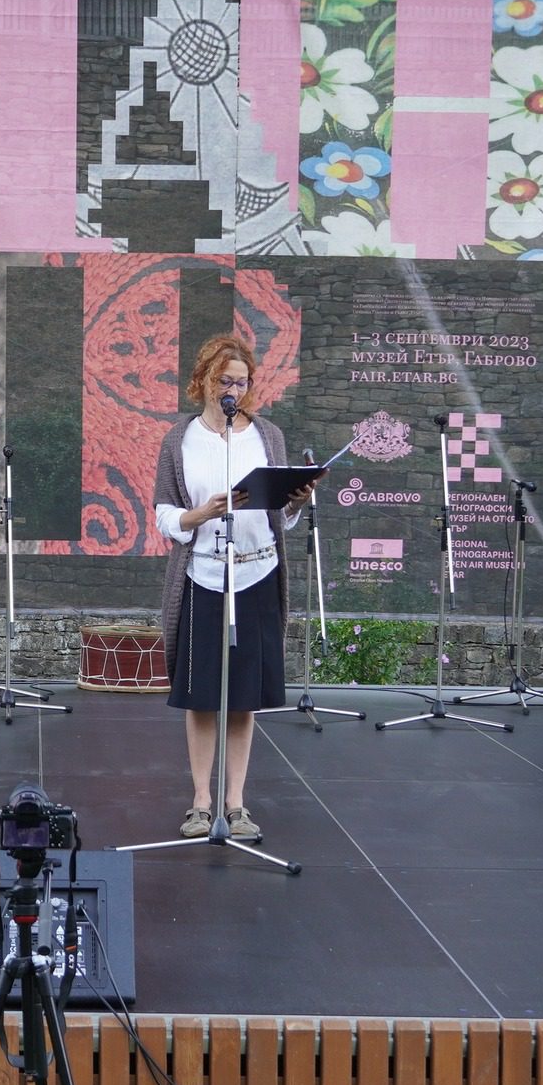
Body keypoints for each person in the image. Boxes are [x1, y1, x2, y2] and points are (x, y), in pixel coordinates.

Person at [153, 334, 316, 842]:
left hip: (256, 573)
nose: (234, 391)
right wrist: (199, 514)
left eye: (242, 383)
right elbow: (163, 512)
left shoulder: (267, 435)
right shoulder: (179, 439)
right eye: (225, 381)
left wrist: (296, 500)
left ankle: (236, 803)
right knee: (202, 695)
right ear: (203, 379)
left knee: (243, 697)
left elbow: (278, 517)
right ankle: (201, 803)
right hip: (203, 575)